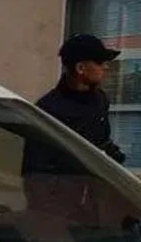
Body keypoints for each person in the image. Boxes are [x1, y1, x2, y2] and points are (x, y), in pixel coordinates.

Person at [37, 34, 126, 164]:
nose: (105, 67)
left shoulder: (100, 99)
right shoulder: (48, 109)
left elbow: (102, 140)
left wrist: (114, 157)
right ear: (80, 68)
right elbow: (39, 162)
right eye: (99, 62)